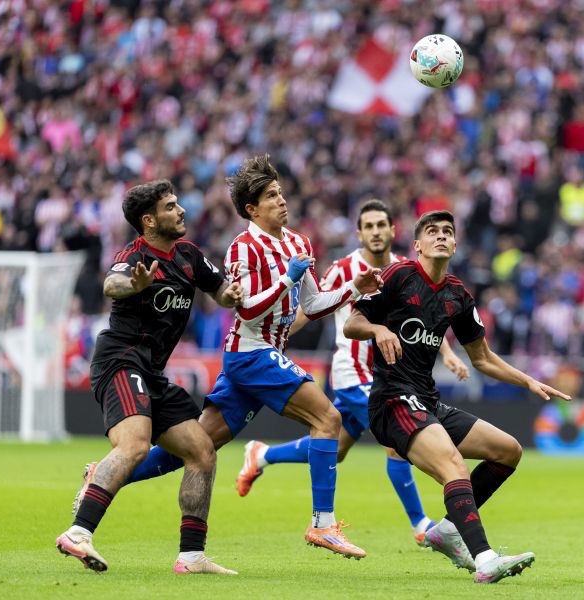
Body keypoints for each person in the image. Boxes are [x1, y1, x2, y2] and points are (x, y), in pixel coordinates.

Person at [80, 154, 381, 559]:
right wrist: (287, 278)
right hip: (250, 353)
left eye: (281, 193)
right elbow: (248, 310)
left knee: (197, 447)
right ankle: (323, 525)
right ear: (252, 209)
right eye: (271, 196)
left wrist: (354, 289)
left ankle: (98, 476)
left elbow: (313, 302)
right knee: (328, 419)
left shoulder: (298, 243)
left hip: (264, 355)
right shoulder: (243, 248)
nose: (282, 201)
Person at [343, 210, 572, 584]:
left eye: (447, 232)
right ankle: (484, 559)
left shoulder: (457, 295)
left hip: (428, 402)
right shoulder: (398, 275)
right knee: (454, 465)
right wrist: (378, 329)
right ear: (417, 244)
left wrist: (528, 381)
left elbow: (481, 357)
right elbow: (353, 322)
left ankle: (448, 529)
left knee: (508, 450)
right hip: (392, 400)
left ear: (455, 243)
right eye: (432, 232)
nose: (441, 236)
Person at [236, 200, 470, 545]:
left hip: (390, 373)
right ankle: (421, 524)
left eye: (381, 225)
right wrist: (277, 340)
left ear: (393, 231)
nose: (376, 232)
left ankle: (263, 454)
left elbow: (426, 317)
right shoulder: (343, 269)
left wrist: (447, 352)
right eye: (369, 226)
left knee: (335, 448)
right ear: (359, 233)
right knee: (398, 443)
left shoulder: (407, 270)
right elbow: (311, 309)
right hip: (354, 374)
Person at [56, 179, 243, 575]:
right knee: (134, 447)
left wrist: (233, 295)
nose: (182, 211)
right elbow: (113, 283)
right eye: (171, 206)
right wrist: (134, 284)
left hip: (152, 373)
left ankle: (191, 557)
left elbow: (221, 291)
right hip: (120, 362)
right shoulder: (134, 255)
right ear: (149, 220)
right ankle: (78, 532)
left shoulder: (189, 255)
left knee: (202, 452)